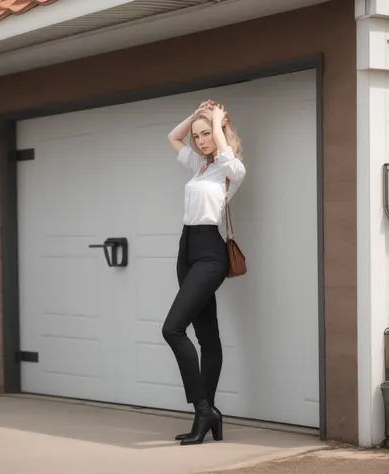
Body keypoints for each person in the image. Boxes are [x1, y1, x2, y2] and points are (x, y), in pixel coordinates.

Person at [162, 99, 246, 446]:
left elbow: (227, 156)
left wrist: (215, 119)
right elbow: (172, 137)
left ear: (220, 131)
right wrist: (196, 115)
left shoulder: (231, 168)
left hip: (211, 251)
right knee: (207, 336)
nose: (199, 140)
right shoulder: (199, 166)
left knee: (173, 328)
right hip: (187, 250)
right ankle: (207, 412)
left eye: (206, 134)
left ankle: (203, 409)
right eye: (197, 136)